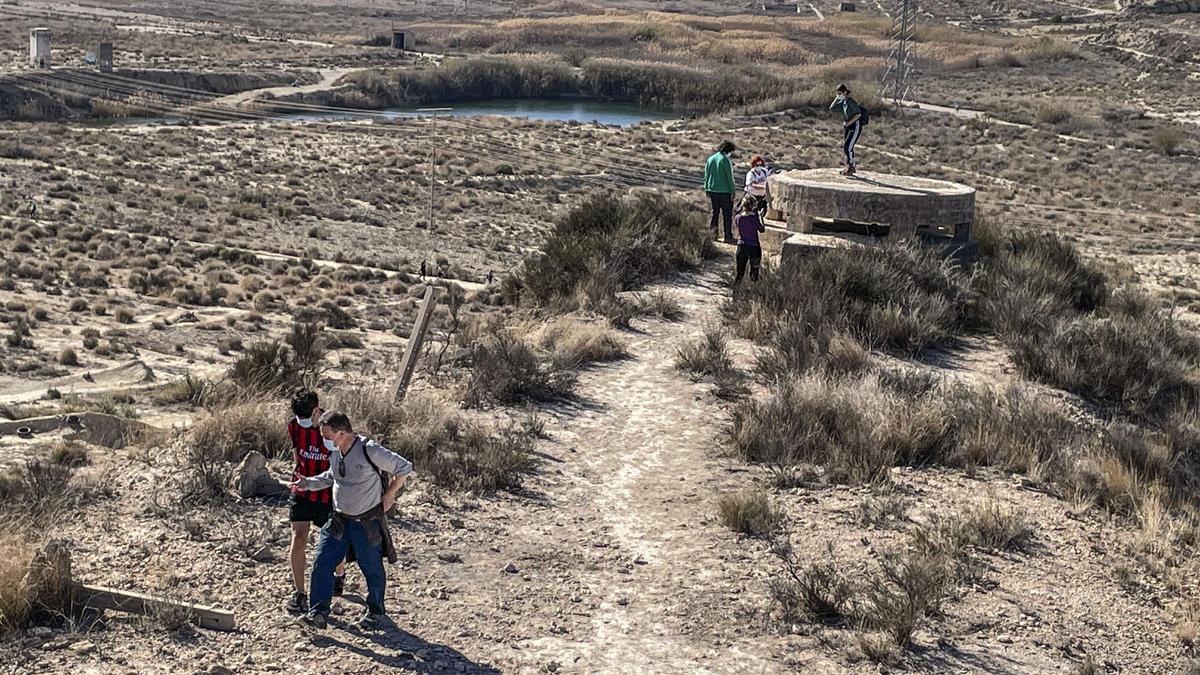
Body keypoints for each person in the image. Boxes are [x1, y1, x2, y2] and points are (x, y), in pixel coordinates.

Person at [293, 411, 414, 630]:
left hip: (366, 523)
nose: (324, 441)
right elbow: (332, 476)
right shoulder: (336, 452)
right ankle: (318, 613)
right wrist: (307, 483)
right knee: (322, 562)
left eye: (327, 436)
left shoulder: (370, 449)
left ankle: (376, 612)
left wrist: (389, 495)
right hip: (339, 520)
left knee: (372, 568)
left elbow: (405, 467)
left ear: (341, 433)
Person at [284, 390, 346, 615]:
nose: (304, 423)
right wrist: (299, 478)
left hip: (327, 494)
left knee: (331, 541)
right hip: (302, 489)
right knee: (298, 535)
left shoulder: (331, 429)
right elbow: (296, 454)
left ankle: (339, 574)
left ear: (317, 411)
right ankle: (300, 593)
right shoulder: (295, 426)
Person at [703, 140, 737, 243]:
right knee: (727, 215)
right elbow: (729, 178)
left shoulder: (711, 159)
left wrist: (706, 188)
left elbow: (706, 175)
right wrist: (733, 191)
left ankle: (713, 235)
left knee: (715, 213)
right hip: (725, 191)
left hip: (713, 190)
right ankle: (728, 236)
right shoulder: (725, 160)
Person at [830, 84, 865, 176]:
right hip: (847, 127)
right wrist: (837, 98)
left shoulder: (850, 101)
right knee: (848, 147)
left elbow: (858, 114)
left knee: (848, 146)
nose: (838, 95)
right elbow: (832, 108)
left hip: (855, 126)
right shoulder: (843, 103)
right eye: (837, 94)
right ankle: (850, 166)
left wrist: (849, 123)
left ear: (845, 92)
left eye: (840, 93)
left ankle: (851, 167)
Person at [733, 197, 765, 285]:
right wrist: (761, 217)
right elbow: (762, 229)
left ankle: (735, 292)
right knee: (754, 274)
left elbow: (736, 226)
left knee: (740, 273)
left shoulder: (738, 217)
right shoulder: (754, 218)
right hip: (754, 247)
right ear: (753, 205)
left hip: (742, 246)